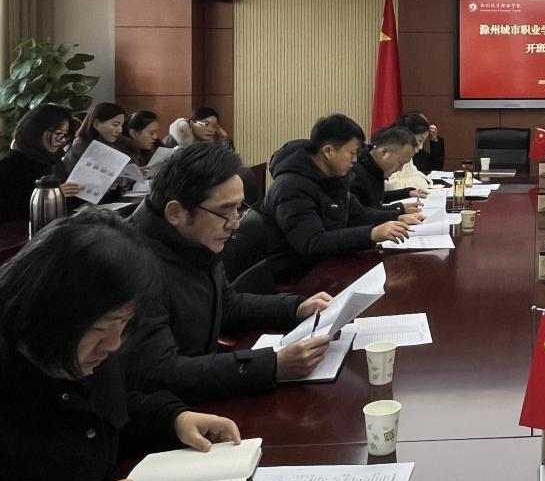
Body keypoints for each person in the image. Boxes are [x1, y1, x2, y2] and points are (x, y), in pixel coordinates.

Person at [0, 209, 242, 481]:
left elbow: (105, 414)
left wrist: (173, 419)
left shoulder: (87, 353)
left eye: (124, 324)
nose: (114, 345)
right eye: (101, 329)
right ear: (49, 314)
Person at [128, 144, 334, 402]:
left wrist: (295, 308)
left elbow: (227, 306)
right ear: (176, 213)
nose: (235, 224)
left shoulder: (195, 241)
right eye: (224, 212)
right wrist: (272, 365)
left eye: (238, 208)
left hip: (201, 392)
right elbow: (161, 372)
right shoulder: (133, 267)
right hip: (170, 409)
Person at [256, 114, 414, 281]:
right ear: (329, 151)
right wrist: (371, 234)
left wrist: (397, 216)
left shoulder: (333, 178)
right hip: (299, 275)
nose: (355, 160)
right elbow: (312, 242)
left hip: (330, 263)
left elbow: (359, 215)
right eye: (351, 153)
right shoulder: (291, 186)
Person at [0, 104, 80, 224]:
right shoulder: (9, 166)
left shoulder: (54, 162)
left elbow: (68, 202)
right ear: (36, 131)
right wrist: (50, 196)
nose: (62, 140)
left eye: (65, 135)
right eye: (58, 133)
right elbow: (8, 211)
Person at [348, 126, 424, 218]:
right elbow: (357, 216)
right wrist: (397, 215)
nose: (400, 169)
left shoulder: (375, 168)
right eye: (400, 163)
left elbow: (374, 202)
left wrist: (405, 197)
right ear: (383, 152)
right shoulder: (354, 172)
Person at [62, 101, 126, 173]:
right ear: (96, 124)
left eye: (122, 125)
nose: (120, 130)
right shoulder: (77, 149)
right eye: (115, 125)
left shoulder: (120, 146)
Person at [165, 105, 232, 148]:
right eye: (205, 124)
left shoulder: (211, 144)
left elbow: (228, 163)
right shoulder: (174, 139)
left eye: (214, 126)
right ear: (191, 123)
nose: (210, 129)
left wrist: (224, 139)